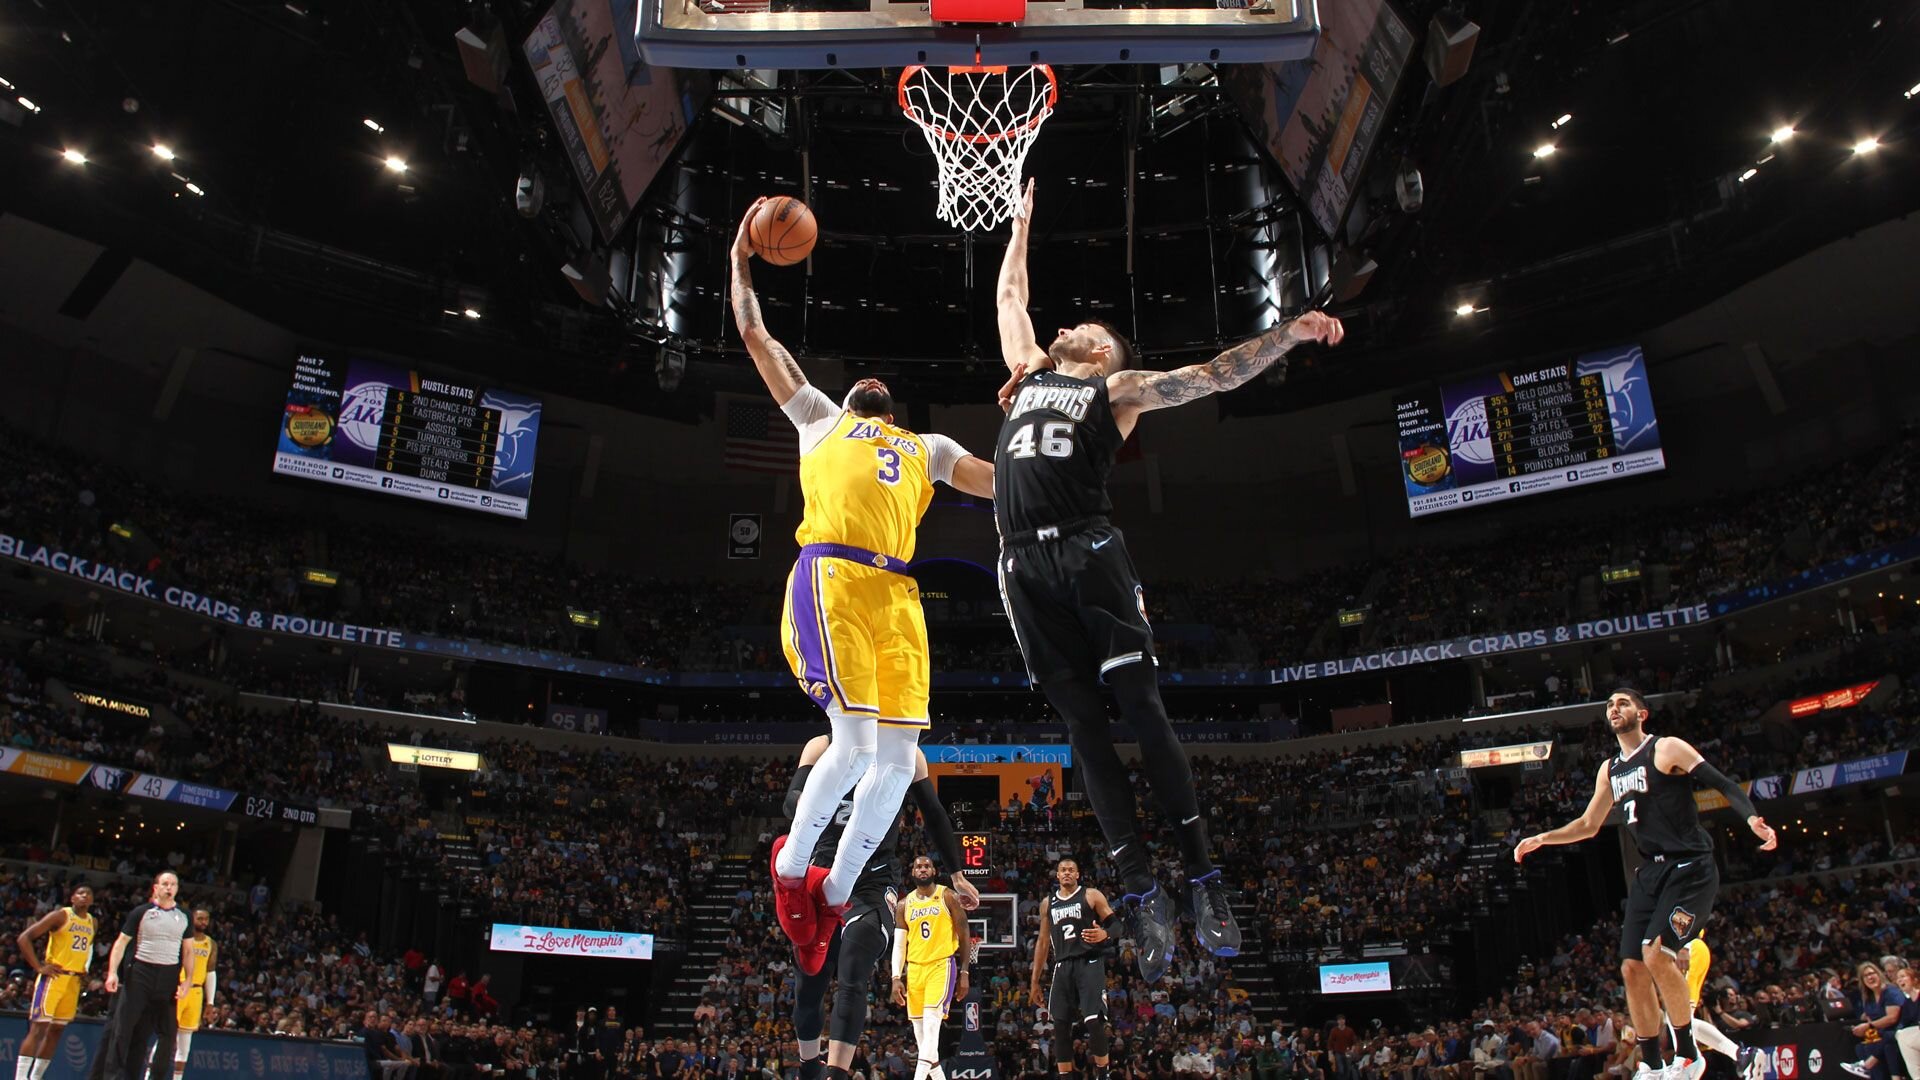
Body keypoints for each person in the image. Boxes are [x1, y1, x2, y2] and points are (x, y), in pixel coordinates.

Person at [991, 177, 1346, 978]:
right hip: (1021, 566)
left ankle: (1203, 879)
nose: (1069, 322)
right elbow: (1011, 293)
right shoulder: (1025, 371)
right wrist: (1020, 224)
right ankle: (1144, 892)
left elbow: (1214, 375)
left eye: (1086, 326)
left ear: (1103, 351)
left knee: (1142, 710)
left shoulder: (1113, 389)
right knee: (1083, 729)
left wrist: (1290, 332)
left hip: (1088, 553)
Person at [730, 197, 997, 957]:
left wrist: (1050, 439)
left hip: (897, 595)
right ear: (850, 397)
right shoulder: (818, 416)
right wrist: (738, 263)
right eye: (863, 383)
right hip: (834, 578)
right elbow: (757, 336)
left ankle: (836, 891)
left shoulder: (929, 446)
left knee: (900, 756)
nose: (872, 382)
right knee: (848, 747)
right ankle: (790, 869)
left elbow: (998, 480)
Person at [1514, 688, 1778, 1080]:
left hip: (1690, 866)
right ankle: (1653, 1064)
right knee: (1632, 969)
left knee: (1656, 953)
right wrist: (1542, 838)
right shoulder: (1610, 769)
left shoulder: (1667, 749)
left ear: (1642, 713)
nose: (1614, 709)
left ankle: (1689, 1056)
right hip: (1650, 872)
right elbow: (1588, 826)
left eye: (1622, 703)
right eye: (1609, 705)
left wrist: (1751, 818)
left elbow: (1721, 782)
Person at [788, 739, 978, 1080]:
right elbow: (790, 802)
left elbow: (934, 814)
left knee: (854, 968)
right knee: (810, 983)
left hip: (873, 880)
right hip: (822, 874)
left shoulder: (907, 751)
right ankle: (808, 1066)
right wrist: (807, 806)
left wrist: (957, 873)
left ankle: (837, 1073)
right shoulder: (822, 746)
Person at [87, 871, 194, 1080]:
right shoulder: (142, 912)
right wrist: (112, 974)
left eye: (173, 884)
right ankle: (111, 1076)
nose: (169, 888)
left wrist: (188, 980)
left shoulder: (184, 916)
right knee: (123, 1029)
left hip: (169, 975)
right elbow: (121, 943)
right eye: (165, 884)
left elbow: (189, 951)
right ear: (156, 888)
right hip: (141, 973)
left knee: (168, 1032)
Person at [1028, 859, 1120, 1080]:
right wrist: (1034, 981)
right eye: (1063, 870)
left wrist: (1105, 934)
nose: (1067, 873)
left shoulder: (1091, 895)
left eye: (1071, 870)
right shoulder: (1047, 903)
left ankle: (1102, 1074)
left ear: (1078, 874)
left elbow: (1117, 925)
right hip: (1062, 965)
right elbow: (1042, 942)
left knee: (1093, 1021)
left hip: (1089, 961)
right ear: (1057, 875)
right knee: (1060, 1026)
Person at [891, 857, 972, 1080]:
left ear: (934, 870)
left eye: (927, 866)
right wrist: (896, 977)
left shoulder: (948, 896)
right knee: (924, 1040)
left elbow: (965, 934)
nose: (923, 869)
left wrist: (964, 972)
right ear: (912, 871)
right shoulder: (903, 904)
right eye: (918, 866)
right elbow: (899, 945)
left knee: (931, 1027)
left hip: (941, 965)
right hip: (914, 971)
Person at [15, 883, 96, 1080]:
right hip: (54, 978)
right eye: (80, 893)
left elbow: (86, 949)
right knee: (38, 1028)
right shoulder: (61, 915)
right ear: (72, 898)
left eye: (88, 894)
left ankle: (35, 1077)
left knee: (56, 1031)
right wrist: (39, 967)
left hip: (74, 980)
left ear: (92, 900)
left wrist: (85, 970)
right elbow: (24, 938)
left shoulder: (93, 922)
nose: (84, 896)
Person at [1665, 934, 1761, 1080]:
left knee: (1677, 1013)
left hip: (1687, 947)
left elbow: (1686, 912)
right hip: (1682, 948)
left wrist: (1684, 946)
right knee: (1678, 1017)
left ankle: (1688, 1059)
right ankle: (1741, 1055)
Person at [149, 908, 217, 1080]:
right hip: (177, 988)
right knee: (166, 1036)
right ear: (191, 918)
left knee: (185, 1041)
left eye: (206, 919)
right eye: (200, 918)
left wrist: (210, 1002)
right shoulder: (180, 938)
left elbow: (211, 972)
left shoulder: (211, 943)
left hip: (196, 992)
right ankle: (149, 1075)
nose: (203, 922)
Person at [1840, 963, 1907, 1080]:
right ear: (1862, 981)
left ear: (1879, 974)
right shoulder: (1868, 997)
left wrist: (1868, 1026)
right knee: (1863, 1047)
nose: (1870, 977)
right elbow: (1870, 1021)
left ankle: (1867, 1065)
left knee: (1887, 1043)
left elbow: (1892, 1018)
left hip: (1898, 1030)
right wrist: (1866, 1032)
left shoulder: (1891, 991)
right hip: (1882, 1034)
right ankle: (1868, 1070)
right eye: (1865, 976)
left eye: (1872, 973)